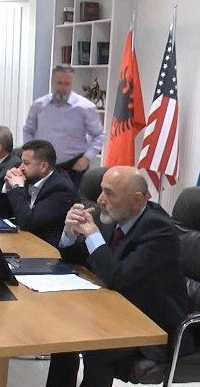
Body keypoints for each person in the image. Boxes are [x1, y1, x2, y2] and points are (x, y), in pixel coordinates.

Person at [50, 166, 192, 387]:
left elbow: (117, 277)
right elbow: (82, 257)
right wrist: (69, 234)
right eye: (101, 190)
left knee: (97, 345)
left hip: (153, 325)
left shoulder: (158, 229)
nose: (100, 199)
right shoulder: (115, 215)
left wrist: (92, 234)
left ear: (137, 200)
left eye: (109, 193)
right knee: (64, 332)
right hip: (116, 309)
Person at [23, 65, 105, 188]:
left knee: (69, 199)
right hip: (42, 164)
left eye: (67, 83)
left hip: (72, 166)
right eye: (59, 83)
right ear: (52, 81)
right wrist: (29, 154)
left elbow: (99, 135)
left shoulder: (85, 107)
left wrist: (87, 157)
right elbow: (28, 130)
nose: (62, 88)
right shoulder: (39, 105)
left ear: (72, 83)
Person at [0, 140, 77, 248]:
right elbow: (3, 216)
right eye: (21, 162)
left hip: (48, 249)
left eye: (26, 163)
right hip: (27, 240)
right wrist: (8, 187)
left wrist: (17, 187)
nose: (21, 168)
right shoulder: (30, 179)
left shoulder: (61, 189)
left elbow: (27, 222)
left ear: (43, 166)